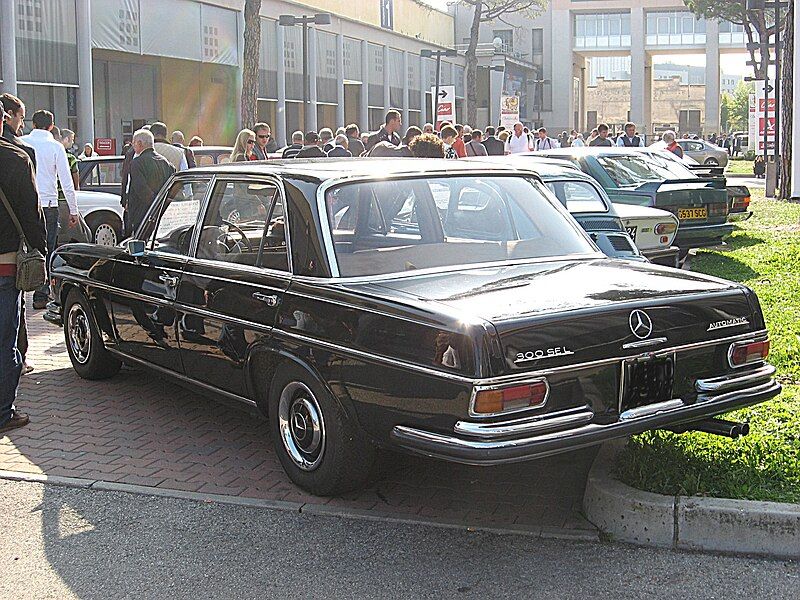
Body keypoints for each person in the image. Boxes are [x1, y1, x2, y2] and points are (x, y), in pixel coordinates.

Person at [0, 134, 47, 434]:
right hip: (5, 264)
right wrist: (40, 250)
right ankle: (4, 412)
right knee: (5, 342)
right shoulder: (16, 159)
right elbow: (32, 214)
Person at [20, 110, 78, 309]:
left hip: (23, 205)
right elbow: (66, 180)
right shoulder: (56, 147)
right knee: (47, 249)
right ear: (52, 127)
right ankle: (41, 293)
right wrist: (73, 210)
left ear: (33, 124)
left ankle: (17, 291)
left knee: (21, 248)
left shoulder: (21, 142)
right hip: (48, 205)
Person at [125, 129, 175, 236]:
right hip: (162, 214)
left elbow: (141, 189)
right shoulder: (166, 163)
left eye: (133, 143)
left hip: (143, 214)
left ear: (139, 143)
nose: (132, 146)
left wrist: (155, 204)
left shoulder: (136, 163)